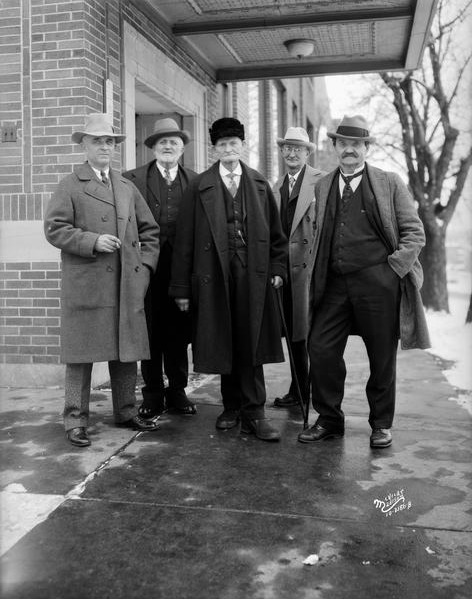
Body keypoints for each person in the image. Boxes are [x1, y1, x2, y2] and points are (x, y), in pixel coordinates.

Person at [299, 114, 430, 448]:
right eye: (343, 144)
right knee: (321, 349)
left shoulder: (388, 182)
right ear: (335, 147)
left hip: (379, 285)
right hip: (334, 286)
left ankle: (381, 424)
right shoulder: (323, 185)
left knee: (381, 356)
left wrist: (393, 270)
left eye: (356, 145)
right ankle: (329, 419)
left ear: (366, 148)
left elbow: (414, 233)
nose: (349, 150)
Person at [44, 113, 160, 447]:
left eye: (110, 141)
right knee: (80, 357)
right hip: (87, 284)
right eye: (98, 141)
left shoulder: (125, 185)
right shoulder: (70, 184)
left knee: (125, 353)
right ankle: (75, 420)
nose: (105, 147)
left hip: (125, 284)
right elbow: (55, 228)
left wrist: (144, 267)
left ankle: (126, 411)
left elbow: (150, 230)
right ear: (84, 145)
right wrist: (92, 241)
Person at [169, 117, 288, 441]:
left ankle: (255, 412)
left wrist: (277, 270)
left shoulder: (260, 184)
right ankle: (231, 408)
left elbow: (277, 237)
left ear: (241, 145)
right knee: (224, 339)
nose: (228, 149)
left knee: (251, 342)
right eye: (222, 145)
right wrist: (182, 288)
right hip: (213, 276)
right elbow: (184, 240)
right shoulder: (199, 186)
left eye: (233, 143)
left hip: (253, 277)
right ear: (214, 149)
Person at [123, 118, 198, 417]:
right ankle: (152, 393)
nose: (168, 146)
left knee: (179, 332)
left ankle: (178, 391)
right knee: (149, 331)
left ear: (182, 149)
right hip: (146, 268)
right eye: (162, 142)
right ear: (153, 147)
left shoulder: (196, 180)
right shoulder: (132, 179)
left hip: (182, 269)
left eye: (174, 142)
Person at [272, 127, 325, 409]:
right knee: (293, 333)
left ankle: (314, 393)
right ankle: (299, 389)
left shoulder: (322, 181)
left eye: (298, 149)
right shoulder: (275, 186)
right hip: (285, 273)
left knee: (312, 335)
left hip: (310, 272)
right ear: (281, 152)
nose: (292, 153)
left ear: (307, 153)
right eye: (287, 148)